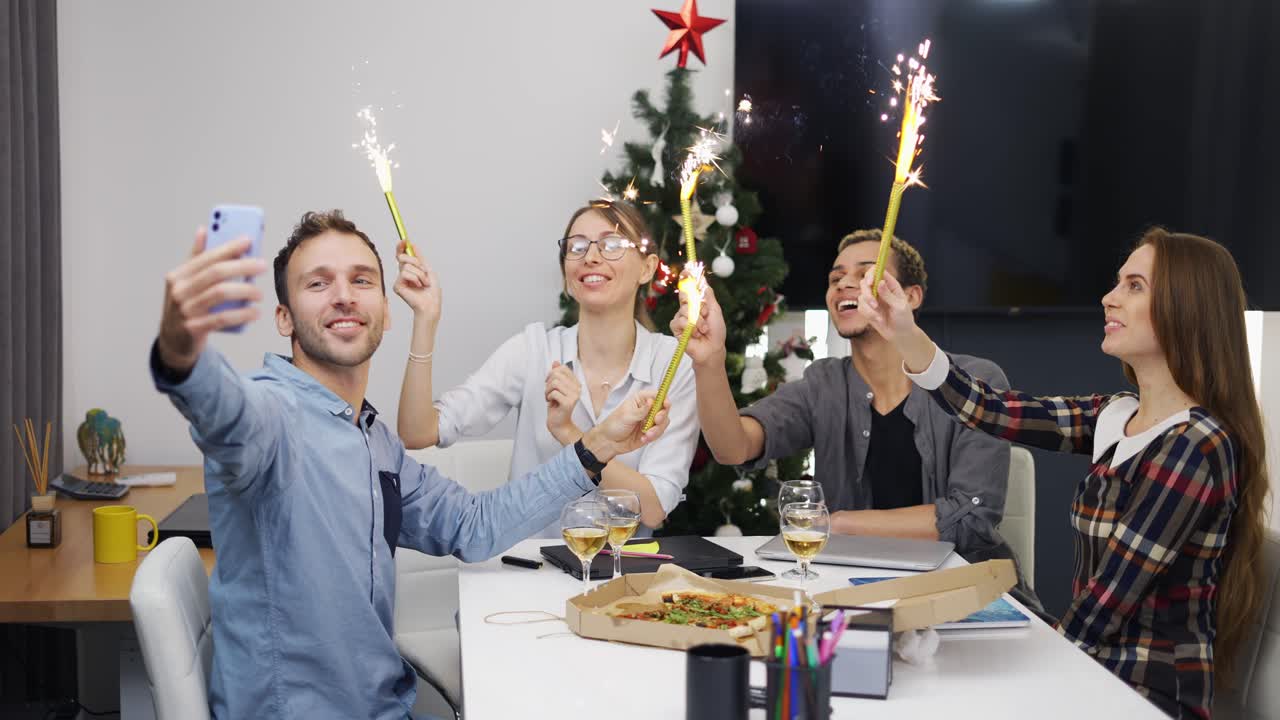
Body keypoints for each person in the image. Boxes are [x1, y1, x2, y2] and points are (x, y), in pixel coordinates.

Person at [151, 210, 670, 719]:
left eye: (361, 280)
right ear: (284, 317)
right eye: (318, 283)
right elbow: (225, 409)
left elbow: (474, 524)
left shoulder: (372, 439)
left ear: (385, 310)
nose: (343, 295)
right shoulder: (272, 415)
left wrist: (594, 446)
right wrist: (182, 353)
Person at [857, 227, 1269, 719]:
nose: (1109, 298)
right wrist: (904, 332)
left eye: (1135, 286)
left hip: (1143, 695)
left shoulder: (1196, 444)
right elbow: (993, 409)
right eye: (1118, 282)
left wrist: (1025, 663)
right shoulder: (1119, 414)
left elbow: (1108, 601)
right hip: (1090, 671)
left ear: (1187, 307)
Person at [674, 229, 1021, 569]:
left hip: (961, 585)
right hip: (851, 586)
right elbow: (733, 448)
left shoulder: (974, 382)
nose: (843, 284)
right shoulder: (823, 384)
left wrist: (837, 523)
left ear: (911, 296)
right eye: (835, 278)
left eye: (866, 274)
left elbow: (972, 518)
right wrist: (709, 361)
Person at [396, 199, 700, 533]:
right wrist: (425, 318)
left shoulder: (673, 365)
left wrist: (569, 433)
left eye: (612, 244)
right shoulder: (532, 350)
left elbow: (653, 509)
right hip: (530, 563)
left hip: (624, 565)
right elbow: (417, 432)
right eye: (577, 247)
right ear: (566, 273)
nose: (591, 257)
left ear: (647, 268)